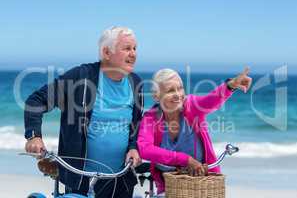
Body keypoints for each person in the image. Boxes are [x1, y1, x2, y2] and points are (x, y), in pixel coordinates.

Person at [24, 26, 144, 198]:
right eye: (126, 48)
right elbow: (36, 101)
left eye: (134, 48)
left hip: (121, 179)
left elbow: (136, 124)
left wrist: (133, 148)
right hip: (82, 180)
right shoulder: (81, 77)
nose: (133, 54)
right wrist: (34, 136)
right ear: (106, 52)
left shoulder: (135, 82)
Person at [137, 68, 252, 194]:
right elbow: (144, 149)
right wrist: (185, 159)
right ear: (156, 96)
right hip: (169, 187)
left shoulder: (192, 105)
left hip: (203, 183)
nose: (178, 94)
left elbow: (211, 100)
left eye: (180, 88)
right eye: (170, 90)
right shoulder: (151, 117)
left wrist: (231, 85)